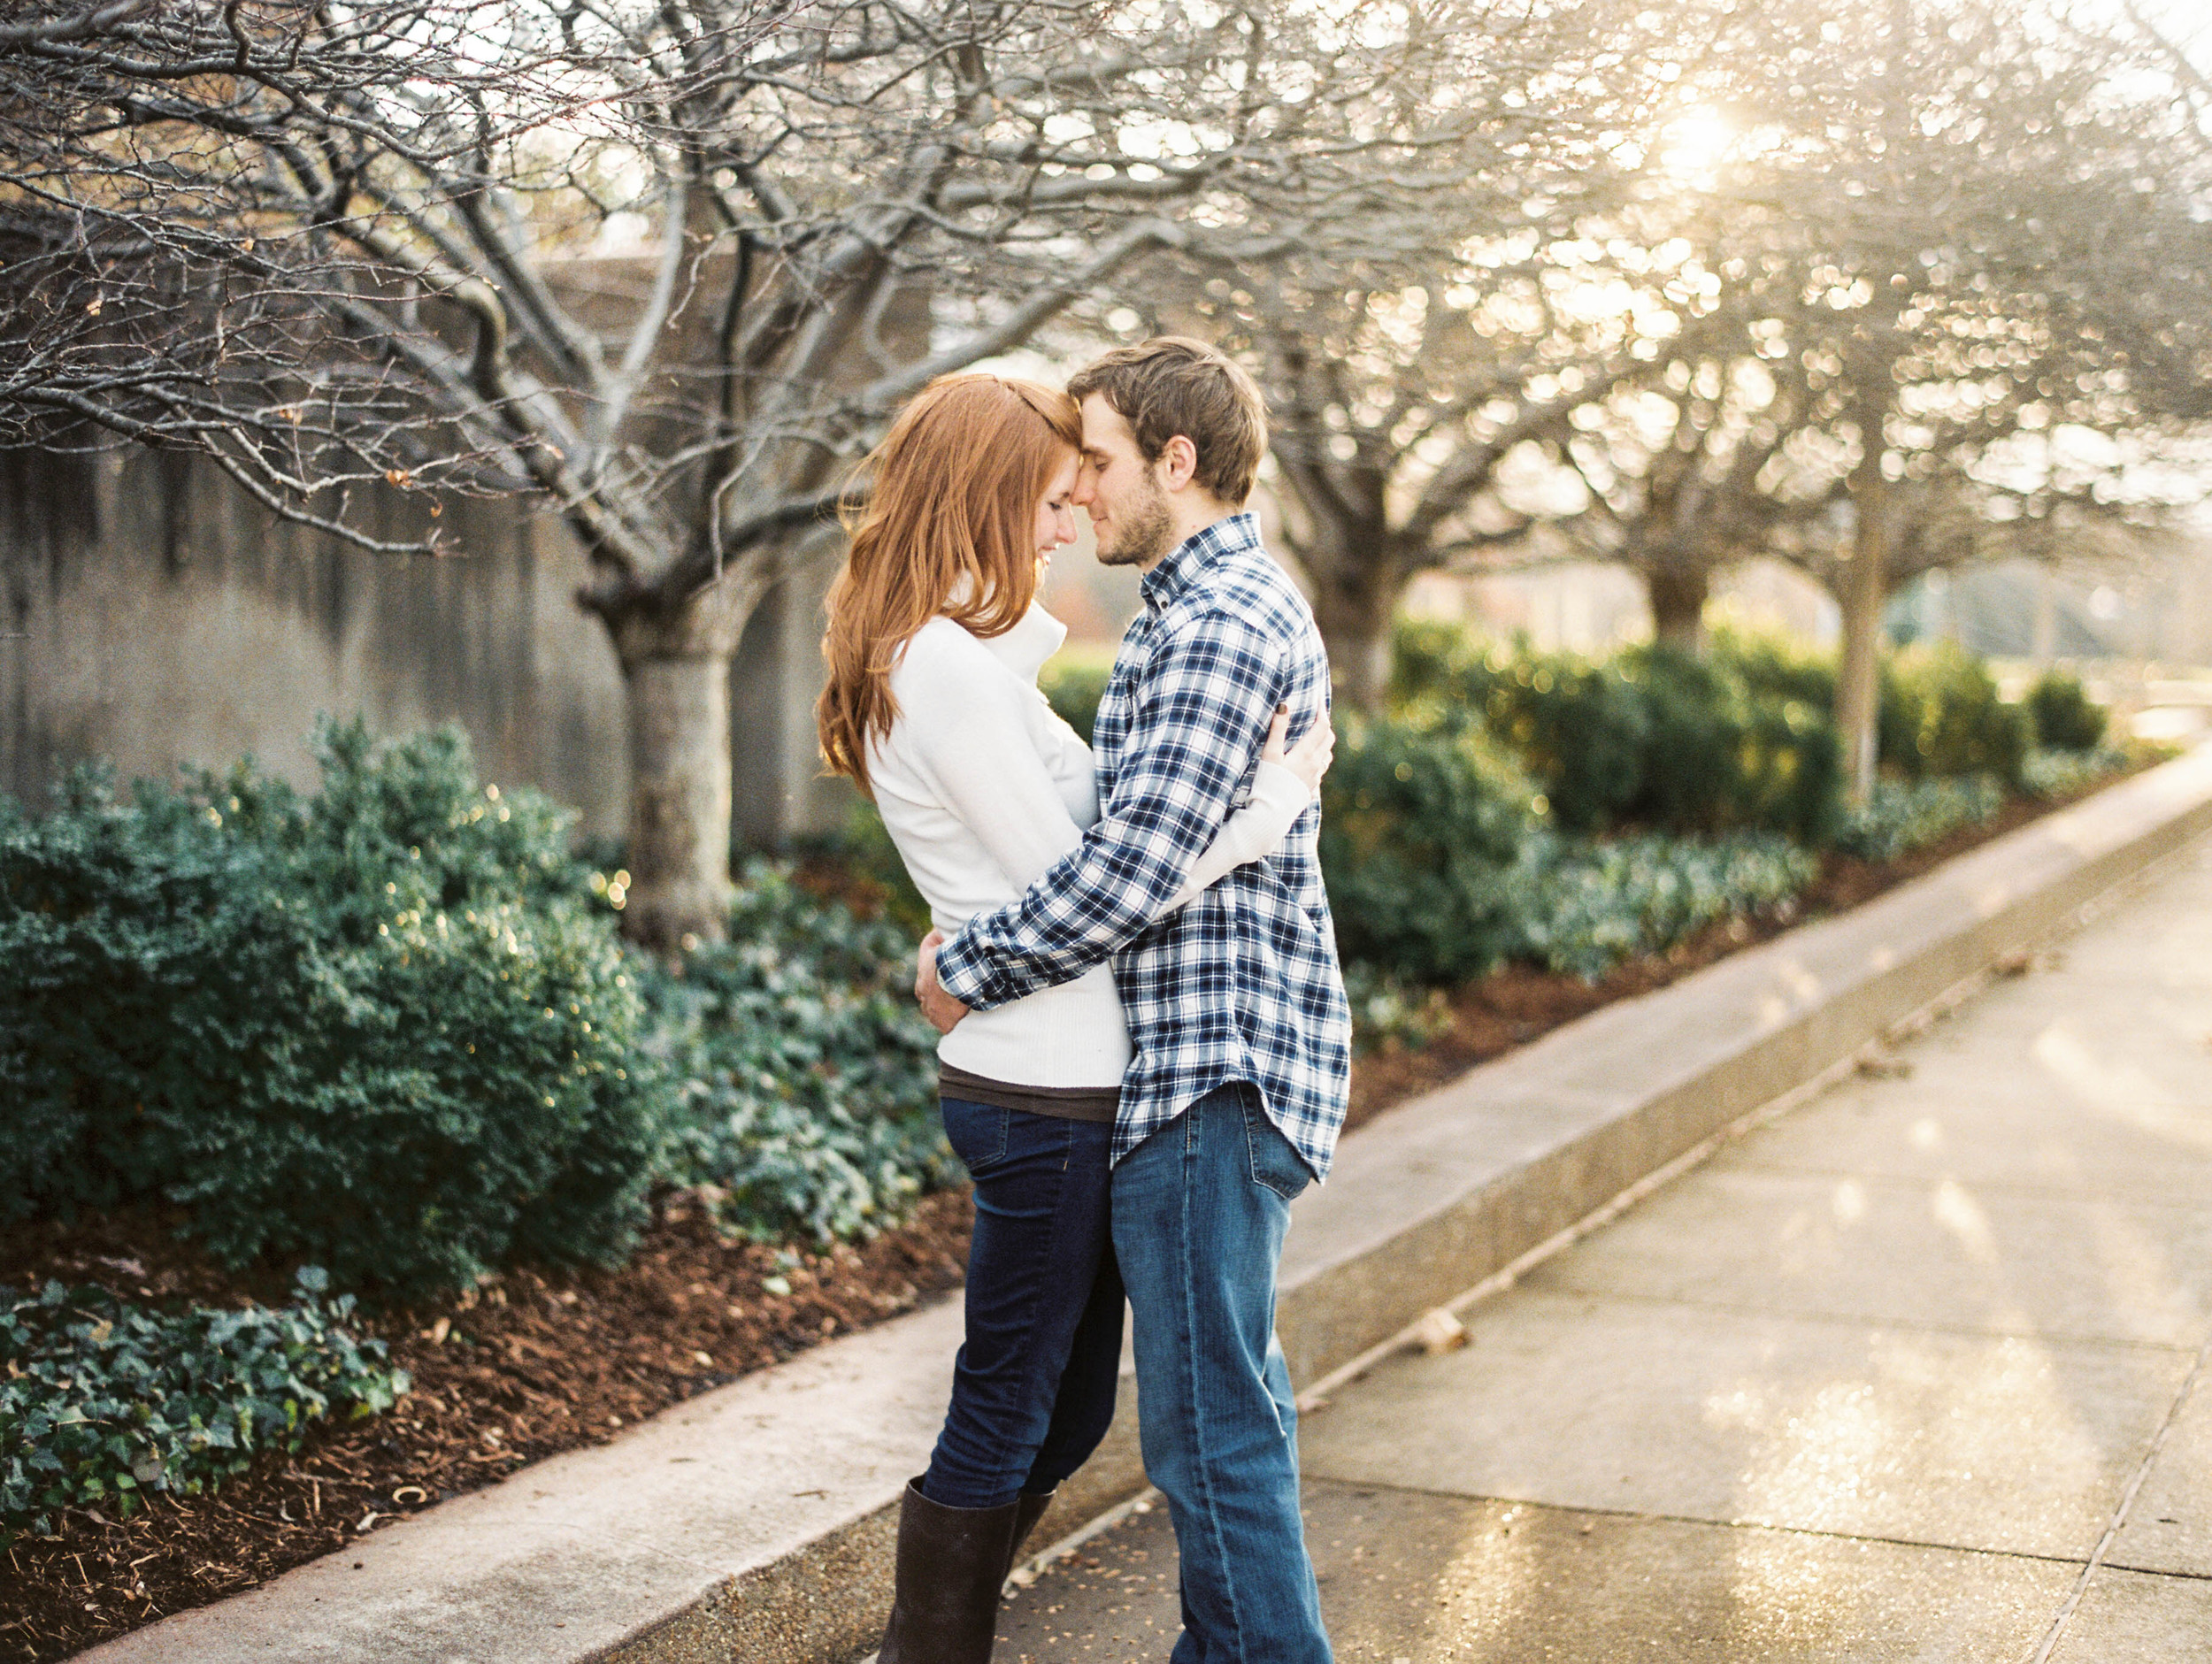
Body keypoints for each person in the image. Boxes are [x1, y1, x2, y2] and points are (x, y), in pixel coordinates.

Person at [814, 372, 1333, 1663]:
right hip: (1046, 1086)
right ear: (988, 497)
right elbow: (1103, 873)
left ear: (1171, 457)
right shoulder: (948, 665)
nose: (1073, 512)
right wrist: (1257, 822)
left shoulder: (1019, 651)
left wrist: (973, 953)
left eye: (1086, 473)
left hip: (1111, 1074)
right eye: (1053, 489)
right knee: (1053, 1413)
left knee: (1088, 1420)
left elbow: (1111, 852)